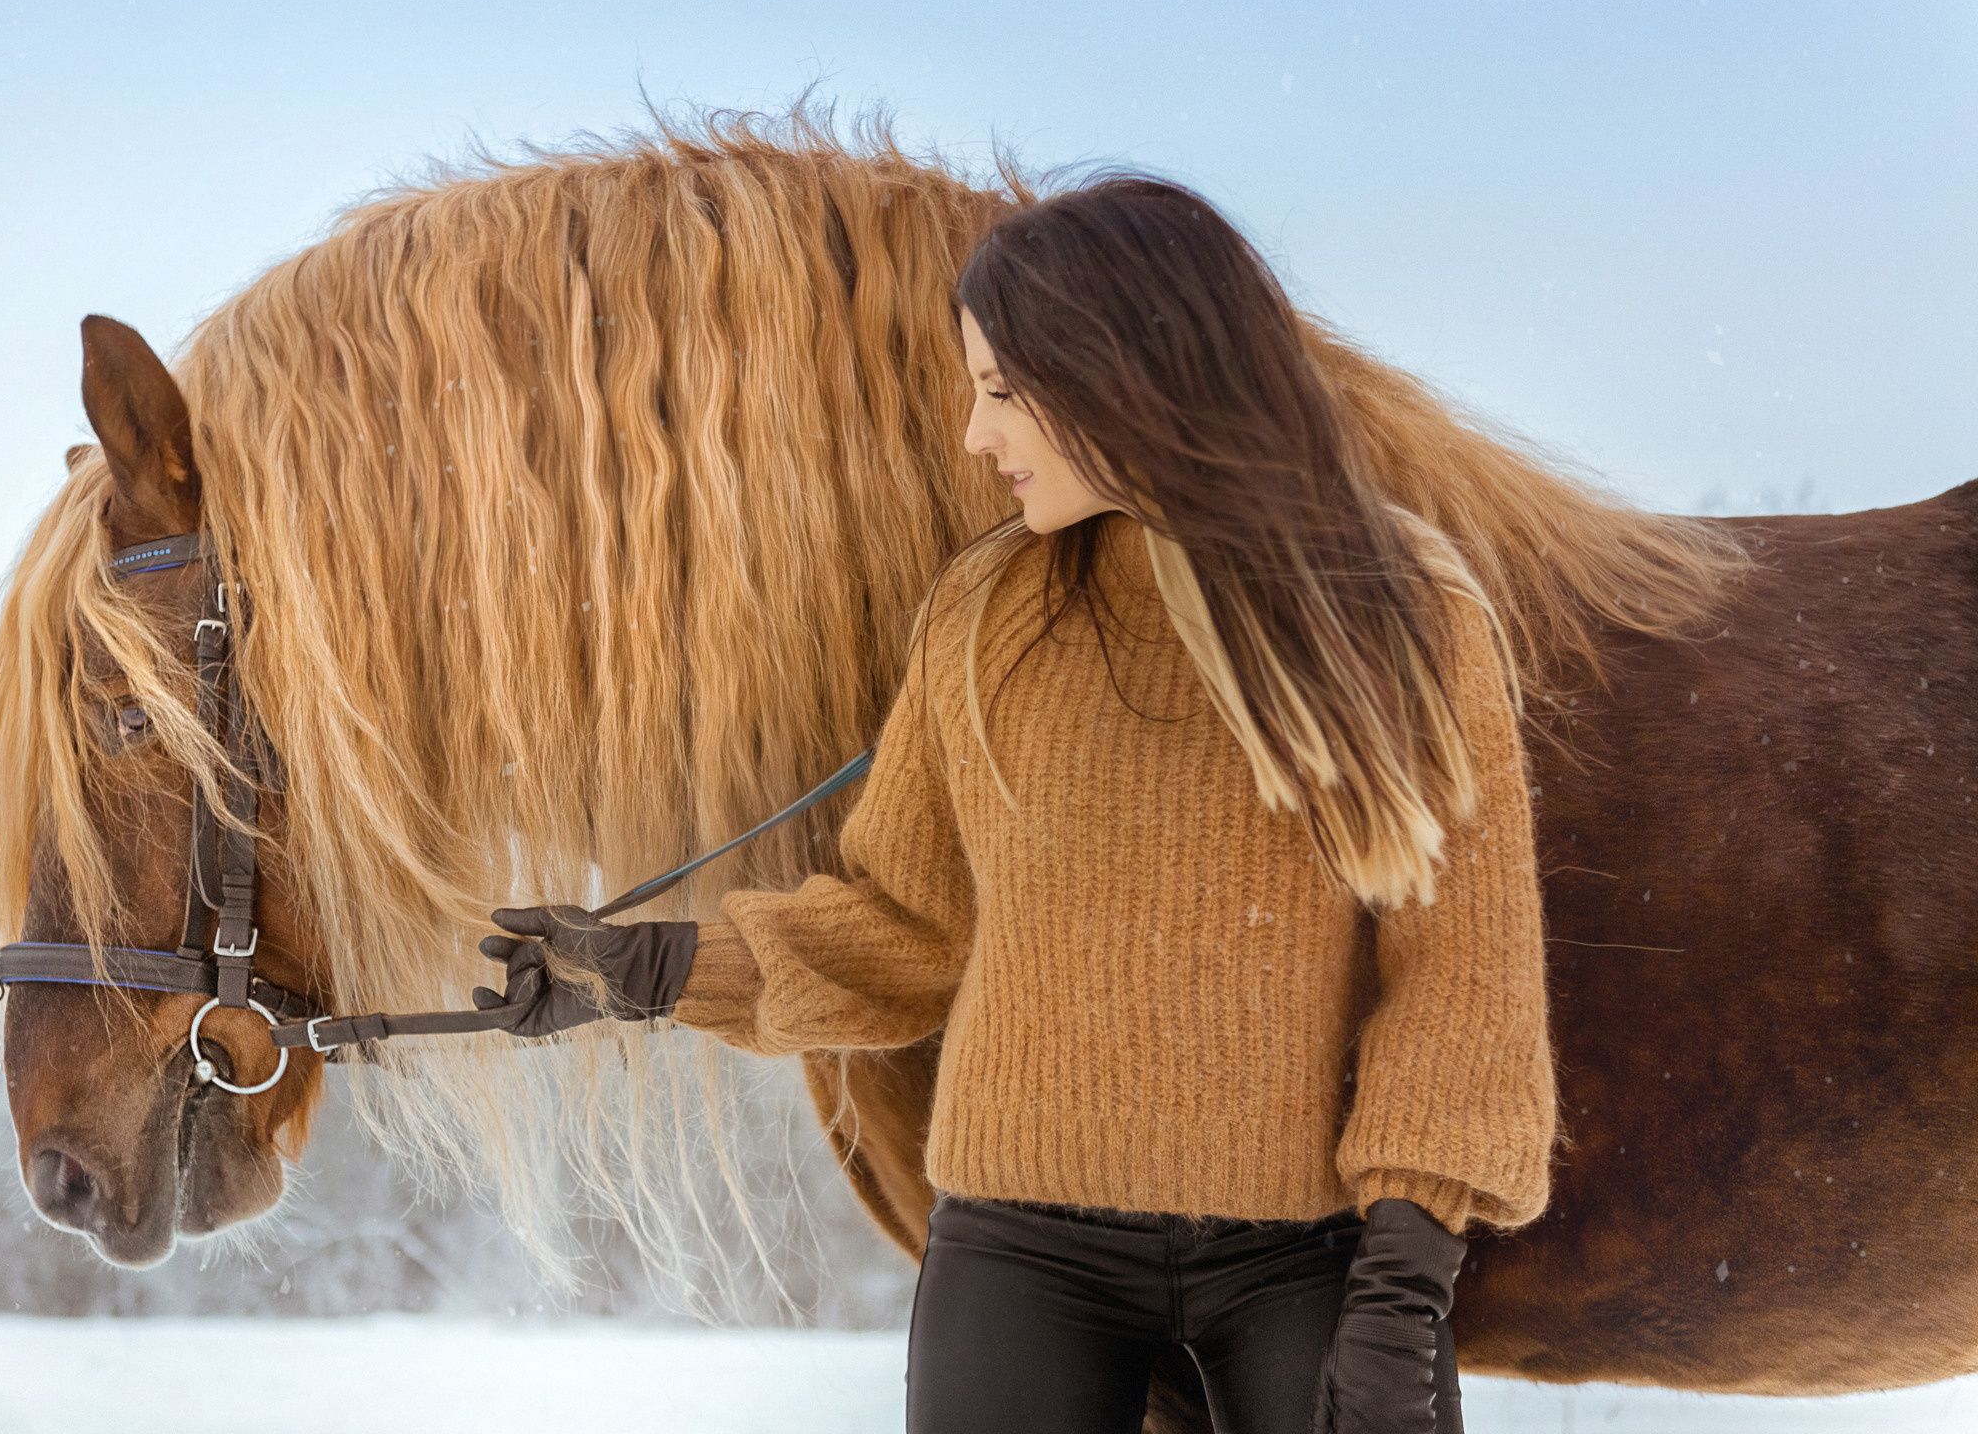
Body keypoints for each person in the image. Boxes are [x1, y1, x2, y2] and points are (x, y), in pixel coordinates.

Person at [473, 174, 1555, 1434]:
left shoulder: (1404, 615)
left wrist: (1404, 1286)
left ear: (1123, 376)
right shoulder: (987, 612)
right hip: (1024, 1259)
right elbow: (905, 926)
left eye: (1001, 393)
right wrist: (651, 967)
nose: (978, 438)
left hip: (1302, 1259)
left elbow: (1463, 978)